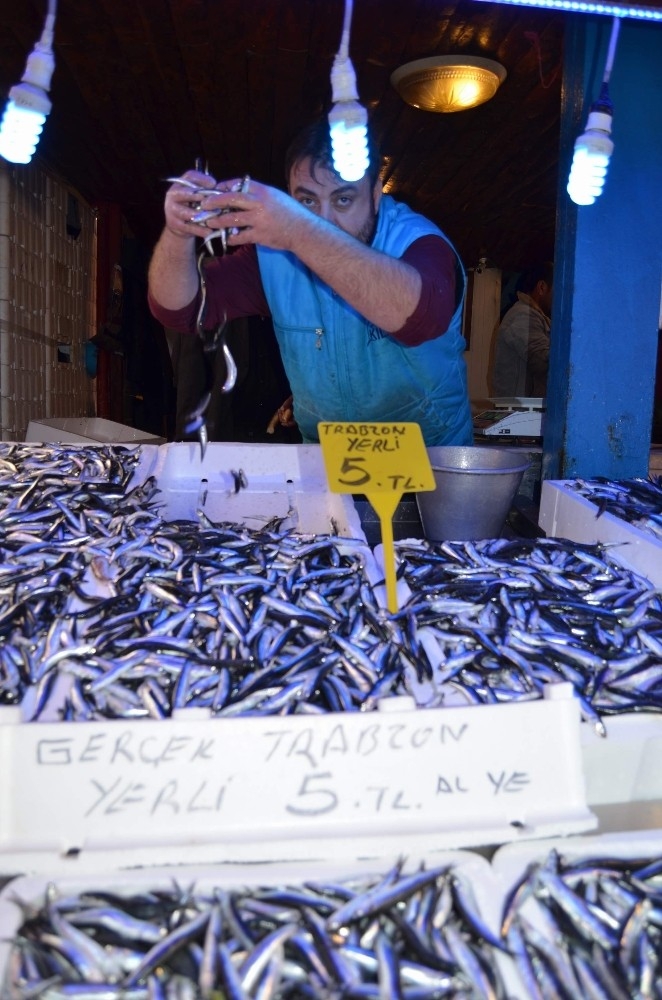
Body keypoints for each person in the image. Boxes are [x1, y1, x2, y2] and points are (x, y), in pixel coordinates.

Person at [147, 117, 473, 446]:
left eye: (344, 200)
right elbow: (183, 311)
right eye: (307, 202)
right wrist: (177, 233)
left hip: (432, 462)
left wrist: (299, 230)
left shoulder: (419, 241)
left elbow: (421, 318)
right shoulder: (274, 257)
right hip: (328, 459)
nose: (325, 221)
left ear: (376, 195)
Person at [490, 261, 554, 399]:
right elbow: (543, 363)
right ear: (542, 287)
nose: (561, 298)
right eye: (557, 290)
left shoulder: (535, 316)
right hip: (523, 415)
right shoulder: (523, 316)